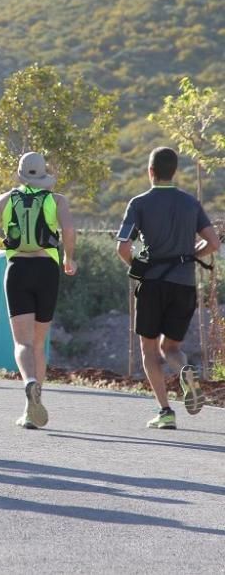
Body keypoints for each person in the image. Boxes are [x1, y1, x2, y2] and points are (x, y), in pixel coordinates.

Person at [116, 147, 217, 429]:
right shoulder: (190, 203)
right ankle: (185, 370)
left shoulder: (139, 203)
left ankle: (165, 411)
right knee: (171, 346)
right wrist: (193, 252)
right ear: (174, 171)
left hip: (152, 285)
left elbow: (123, 247)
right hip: (184, 284)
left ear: (150, 171)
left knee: (149, 349)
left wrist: (137, 266)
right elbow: (213, 244)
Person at [0, 152, 76, 429]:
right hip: (47, 270)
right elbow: (69, 231)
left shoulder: (4, 199)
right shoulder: (56, 200)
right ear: (43, 173)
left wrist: (9, 246)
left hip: (17, 270)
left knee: (21, 343)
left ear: (20, 173)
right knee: (37, 343)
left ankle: (29, 383)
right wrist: (70, 257)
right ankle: (32, 407)